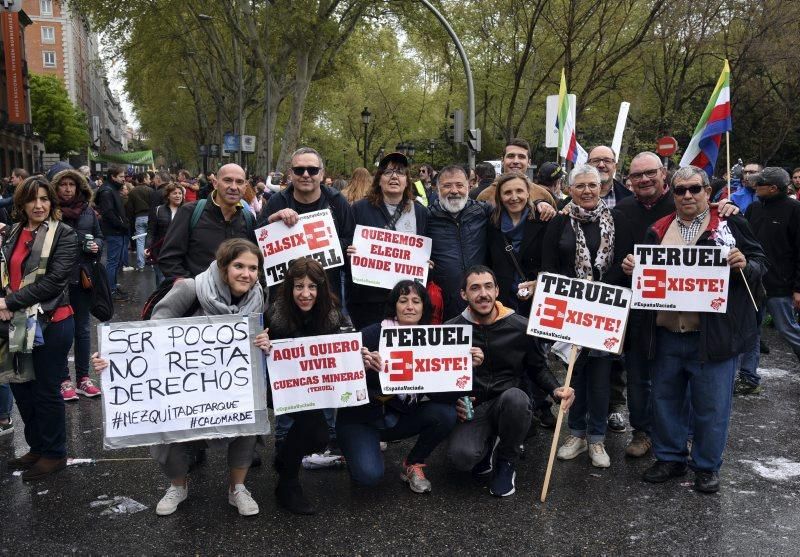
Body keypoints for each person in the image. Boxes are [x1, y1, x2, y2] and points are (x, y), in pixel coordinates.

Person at [92, 239, 267, 516]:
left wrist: (262, 344)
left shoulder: (258, 296)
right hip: (184, 383)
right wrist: (113, 359)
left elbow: (257, 337)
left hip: (227, 382)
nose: (247, 274)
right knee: (169, 433)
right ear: (223, 267)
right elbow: (153, 331)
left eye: (253, 268)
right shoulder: (191, 288)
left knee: (248, 423)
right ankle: (178, 485)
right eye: (239, 266)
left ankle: (238, 488)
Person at [622, 165, 766, 493]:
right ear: (671, 194)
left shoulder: (727, 225)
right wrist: (632, 266)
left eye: (695, 189)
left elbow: (760, 262)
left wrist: (747, 264)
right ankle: (670, 457)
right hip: (666, 335)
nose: (687, 195)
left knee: (712, 407)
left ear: (707, 191)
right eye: (680, 190)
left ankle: (706, 466)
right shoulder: (657, 229)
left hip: (712, 338)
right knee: (665, 401)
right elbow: (644, 277)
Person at [445, 265, 574, 497]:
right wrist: (454, 401)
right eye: (474, 288)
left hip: (511, 402)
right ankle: (486, 447)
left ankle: (506, 460)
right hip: (474, 406)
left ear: (497, 291)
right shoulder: (451, 329)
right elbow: (441, 380)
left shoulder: (520, 327)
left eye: (488, 287)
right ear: (464, 295)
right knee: (462, 458)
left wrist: (556, 389)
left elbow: (537, 368)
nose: (482, 294)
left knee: (516, 398)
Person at [338, 280, 474, 492]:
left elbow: (443, 396)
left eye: (416, 301)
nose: (410, 306)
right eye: (403, 301)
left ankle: (412, 464)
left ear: (424, 307)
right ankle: (358, 449)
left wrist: (465, 366)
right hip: (361, 419)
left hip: (399, 418)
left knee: (446, 413)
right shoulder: (373, 334)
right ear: (394, 306)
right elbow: (338, 375)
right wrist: (360, 366)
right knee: (368, 478)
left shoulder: (432, 339)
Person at [542, 164, 627, 469]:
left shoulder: (615, 219)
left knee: (602, 376)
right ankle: (575, 434)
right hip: (571, 310)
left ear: (602, 186)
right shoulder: (560, 221)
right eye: (580, 186)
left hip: (605, 309)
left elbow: (623, 262)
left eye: (593, 185)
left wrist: (603, 292)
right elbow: (549, 265)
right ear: (570, 190)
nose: (587, 191)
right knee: (575, 374)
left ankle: (597, 439)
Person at [2, 176, 77, 480]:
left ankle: (55, 453)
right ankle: (36, 447)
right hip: (15, 325)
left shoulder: (65, 234)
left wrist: (9, 303)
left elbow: (53, 282)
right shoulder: (15, 232)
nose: (39, 205)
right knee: (22, 388)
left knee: (46, 391)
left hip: (52, 322)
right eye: (33, 199)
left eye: (45, 198)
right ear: (21, 203)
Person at [264, 258, 351, 514]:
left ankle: (284, 462)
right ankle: (288, 485)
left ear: (321, 289)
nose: (305, 294)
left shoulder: (331, 314)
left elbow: (339, 350)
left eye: (312, 287)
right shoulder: (275, 316)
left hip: (314, 388)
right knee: (314, 431)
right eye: (299, 286)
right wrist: (263, 343)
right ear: (289, 287)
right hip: (281, 388)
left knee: (317, 434)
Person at [486, 172, 556, 429]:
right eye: (507, 192)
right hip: (504, 300)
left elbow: (554, 260)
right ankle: (518, 412)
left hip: (537, 298)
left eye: (519, 191)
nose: (514, 197)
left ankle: (541, 404)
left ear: (529, 193)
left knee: (537, 353)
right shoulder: (491, 223)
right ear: (500, 197)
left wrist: (541, 282)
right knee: (511, 355)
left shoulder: (543, 219)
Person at [347, 152, 428, 329]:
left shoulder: (420, 212)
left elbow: (427, 249)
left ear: (407, 180)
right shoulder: (359, 209)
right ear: (379, 179)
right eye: (388, 172)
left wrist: (427, 263)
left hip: (407, 302)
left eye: (400, 172)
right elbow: (346, 242)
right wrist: (349, 251)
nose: (394, 177)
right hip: (369, 301)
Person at [261, 147, 355, 299]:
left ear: (322, 174)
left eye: (312, 170)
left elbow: (351, 238)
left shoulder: (337, 201)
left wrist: (325, 246)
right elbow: (256, 242)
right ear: (291, 174)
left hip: (326, 294)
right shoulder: (276, 201)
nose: (305, 175)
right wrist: (271, 221)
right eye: (299, 170)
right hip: (284, 297)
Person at [737, 168, 800, 394]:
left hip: (780, 284)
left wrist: (797, 288)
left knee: (787, 328)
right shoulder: (753, 208)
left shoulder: (795, 210)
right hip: (753, 282)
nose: (755, 186)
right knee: (750, 331)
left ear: (773, 188)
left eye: (760, 184)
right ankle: (748, 378)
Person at [52, 168, 104, 401]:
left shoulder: (88, 212)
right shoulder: (51, 212)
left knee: (83, 329)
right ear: (56, 187)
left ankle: (83, 378)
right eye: (63, 184)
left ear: (79, 187)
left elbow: (99, 236)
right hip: (57, 280)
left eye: (71, 185)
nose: (67, 189)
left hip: (82, 277)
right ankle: (63, 380)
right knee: (61, 331)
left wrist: (97, 247)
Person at [159, 163, 256, 280]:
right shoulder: (190, 212)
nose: (234, 187)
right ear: (215, 183)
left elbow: (256, 262)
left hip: (236, 298)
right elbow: (168, 258)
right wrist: (194, 288)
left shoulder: (248, 218)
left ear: (245, 186)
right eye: (228, 180)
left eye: (239, 182)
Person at [94, 164, 129, 300]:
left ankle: (113, 286)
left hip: (116, 230)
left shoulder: (110, 189)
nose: (123, 179)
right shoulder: (107, 191)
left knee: (115, 261)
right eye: (121, 176)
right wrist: (121, 225)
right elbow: (108, 212)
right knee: (113, 262)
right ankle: (111, 290)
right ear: (113, 177)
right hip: (114, 231)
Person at [146, 182, 184, 286]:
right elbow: (151, 231)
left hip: (180, 253)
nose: (178, 196)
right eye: (174, 193)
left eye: (180, 193)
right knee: (162, 281)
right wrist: (147, 247)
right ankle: (160, 301)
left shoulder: (187, 210)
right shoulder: (158, 210)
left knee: (178, 282)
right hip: (160, 252)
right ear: (168, 196)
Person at [127, 172, 153, 271]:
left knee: (140, 241)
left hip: (139, 218)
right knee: (150, 240)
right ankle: (150, 261)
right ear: (145, 179)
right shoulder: (151, 190)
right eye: (148, 178)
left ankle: (140, 265)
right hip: (150, 217)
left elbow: (130, 208)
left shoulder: (133, 192)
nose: (150, 180)